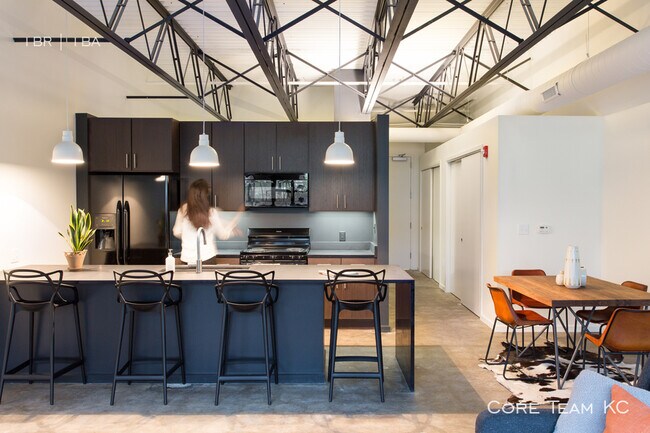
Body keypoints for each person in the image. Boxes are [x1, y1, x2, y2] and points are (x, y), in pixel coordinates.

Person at [172, 179, 243, 265]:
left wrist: (189, 237)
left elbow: (176, 232)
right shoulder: (211, 212)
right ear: (205, 196)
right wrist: (235, 222)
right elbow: (223, 235)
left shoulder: (183, 210)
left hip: (186, 258)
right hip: (207, 258)